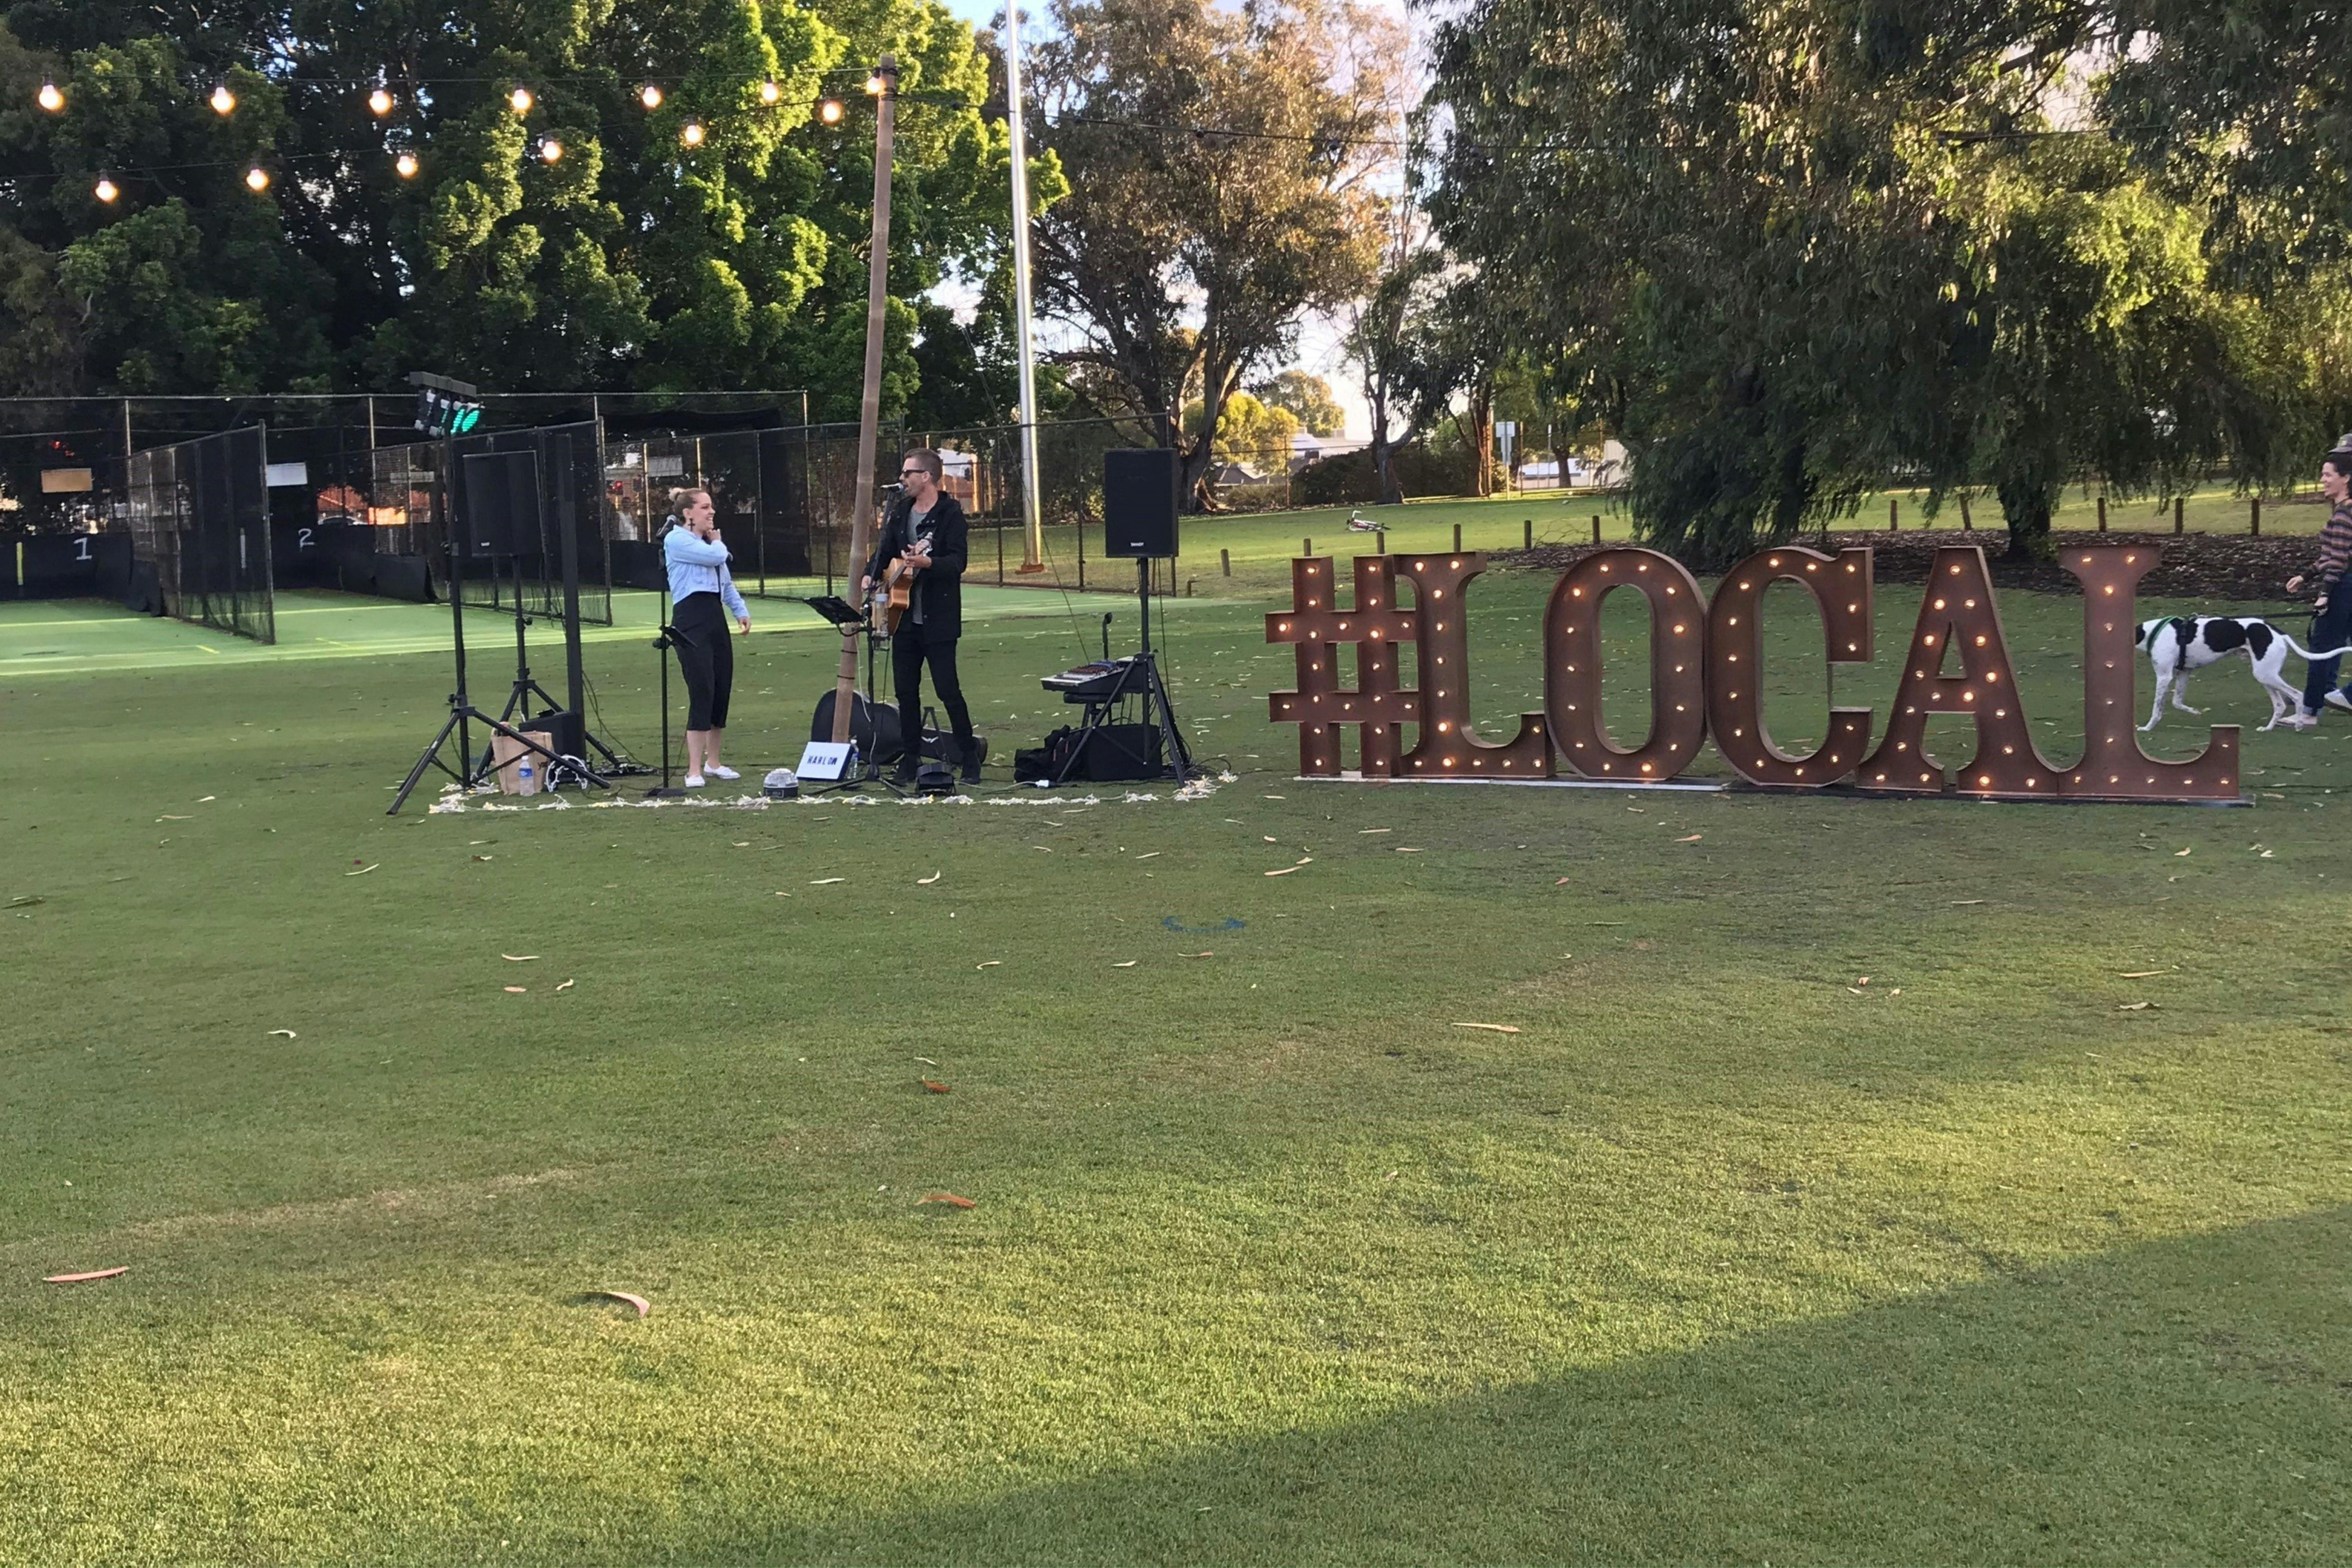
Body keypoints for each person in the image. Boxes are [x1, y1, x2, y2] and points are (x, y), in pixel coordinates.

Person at [862, 449, 979, 783]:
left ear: (926, 476)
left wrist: (929, 563)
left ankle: (969, 757)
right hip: (903, 619)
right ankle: (910, 759)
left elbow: (958, 563)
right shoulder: (901, 512)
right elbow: (884, 550)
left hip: (938, 618)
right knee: (905, 692)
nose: (902, 479)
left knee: (948, 690)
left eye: (907, 473)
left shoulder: (950, 514)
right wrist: (870, 574)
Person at [660, 487, 751, 786]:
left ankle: (714, 763)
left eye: (711, 507)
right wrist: (718, 543)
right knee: (701, 688)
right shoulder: (678, 540)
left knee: (720, 687)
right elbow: (717, 557)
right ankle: (694, 770)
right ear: (688, 513)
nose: (711, 513)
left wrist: (740, 611)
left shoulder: (710, 544)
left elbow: (725, 582)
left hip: (714, 620)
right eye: (704, 508)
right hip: (691, 621)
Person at [2286, 448, 2352, 722]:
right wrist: (2305, 575)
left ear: (2346, 479)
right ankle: (2337, 695)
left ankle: (2310, 711)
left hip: (2344, 588)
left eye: (2328, 475)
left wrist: (2324, 595)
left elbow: (2337, 560)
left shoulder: (2343, 515)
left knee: (2321, 647)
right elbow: (2334, 555)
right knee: (2335, 644)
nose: (2323, 480)